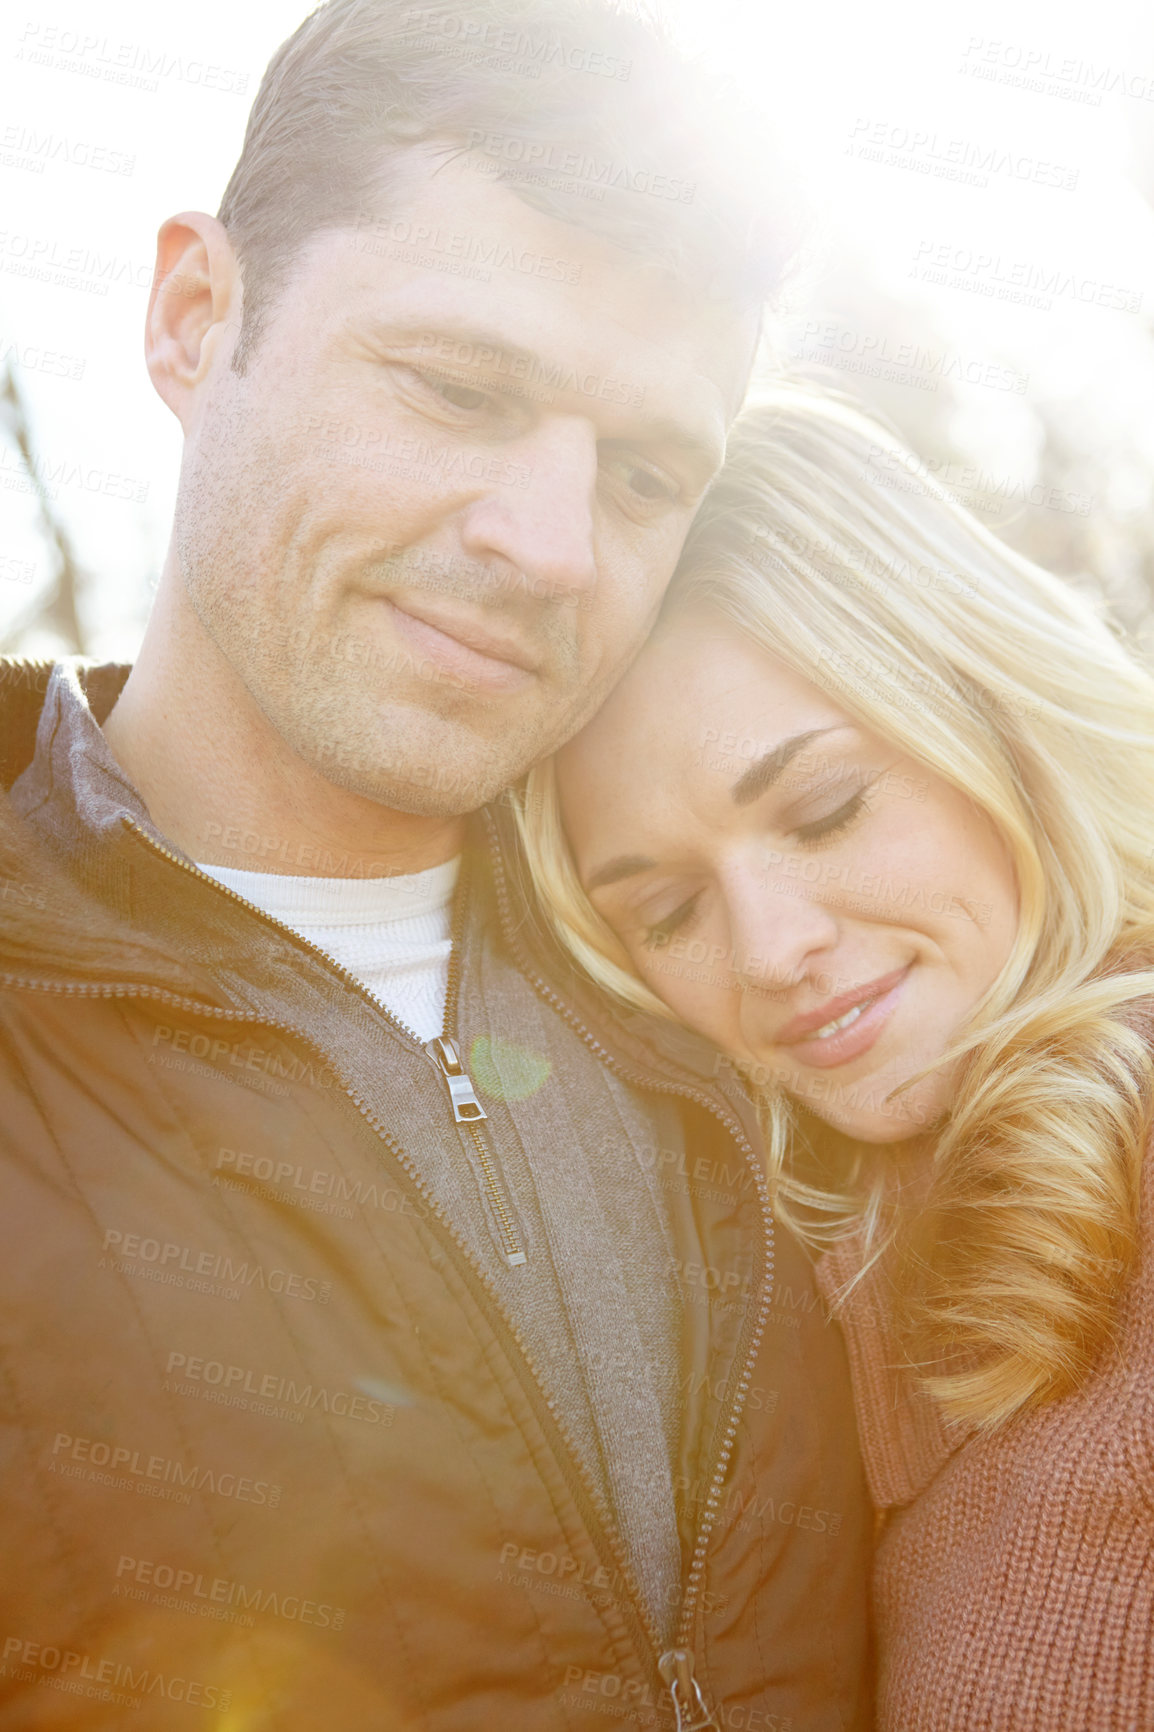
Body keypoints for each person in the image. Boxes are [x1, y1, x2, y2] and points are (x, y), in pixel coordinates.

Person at [0, 6, 873, 1729]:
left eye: (643, 475)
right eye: (459, 391)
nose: (548, 548)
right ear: (196, 319)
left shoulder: (772, 1000)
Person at [536, 386, 1154, 1731]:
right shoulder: (761, 1280)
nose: (766, 950)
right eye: (668, 911)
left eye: (823, 811)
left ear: (992, 717)